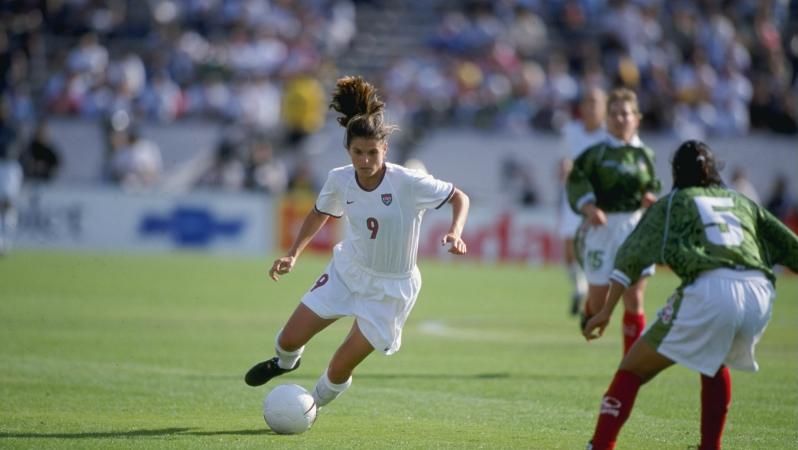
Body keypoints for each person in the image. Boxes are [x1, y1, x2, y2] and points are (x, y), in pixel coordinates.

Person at [244, 76, 470, 416]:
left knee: (337, 369)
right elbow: (320, 213)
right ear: (348, 150)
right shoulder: (339, 179)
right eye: (357, 152)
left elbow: (459, 197)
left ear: (385, 150)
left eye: (372, 153)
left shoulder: (408, 182)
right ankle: (285, 363)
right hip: (348, 271)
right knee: (288, 340)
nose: (365, 161)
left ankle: (308, 408)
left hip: (391, 290)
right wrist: (293, 253)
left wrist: (455, 231)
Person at [582, 140, 798, 450]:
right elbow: (790, 247)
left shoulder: (675, 202)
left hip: (711, 290)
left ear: (675, 172)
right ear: (713, 169)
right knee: (713, 361)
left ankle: (600, 445)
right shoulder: (741, 201)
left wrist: (604, 312)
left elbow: (629, 256)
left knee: (631, 369)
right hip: (760, 293)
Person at [567, 87, 661, 355]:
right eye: (615, 114)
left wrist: (649, 197)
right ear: (607, 119)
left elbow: (653, 184)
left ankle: (630, 363)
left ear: (637, 118)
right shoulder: (595, 154)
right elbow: (576, 182)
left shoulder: (646, 156)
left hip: (635, 228)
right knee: (599, 302)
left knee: (634, 297)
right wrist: (588, 207)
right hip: (602, 228)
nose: (621, 119)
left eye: (626, 114)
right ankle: (589, 311)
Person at [557, 86, 607, 316]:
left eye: (595, 102)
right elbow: (565, 160)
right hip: (574, 196)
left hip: (600, 200)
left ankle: (598, 296)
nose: (590, 107)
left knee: (598, 247)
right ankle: (579, 286)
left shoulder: (609, 134)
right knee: (569, 244)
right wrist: (565, 170)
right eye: (587, 102)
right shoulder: (571, 131)